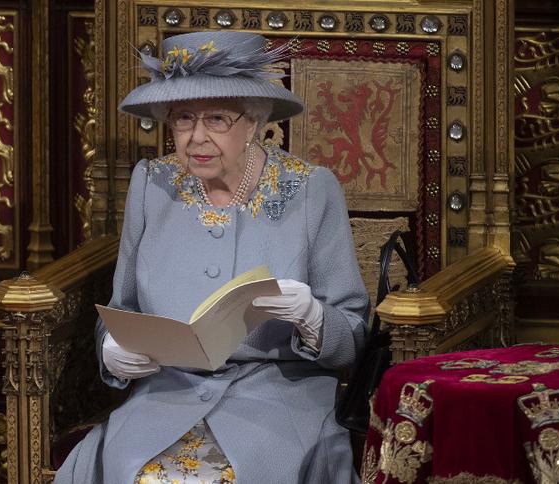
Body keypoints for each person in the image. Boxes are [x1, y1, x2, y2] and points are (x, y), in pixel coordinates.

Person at [56, 30, 369, 484]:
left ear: (254, 122)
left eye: (218, 119)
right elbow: (121, 308)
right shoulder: (152, 183)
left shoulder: (310, 188)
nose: (197, 137)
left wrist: (313, 317)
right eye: (183, 119)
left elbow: (353, 333)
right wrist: (113, 352)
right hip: (166, 395)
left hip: (279, 400)